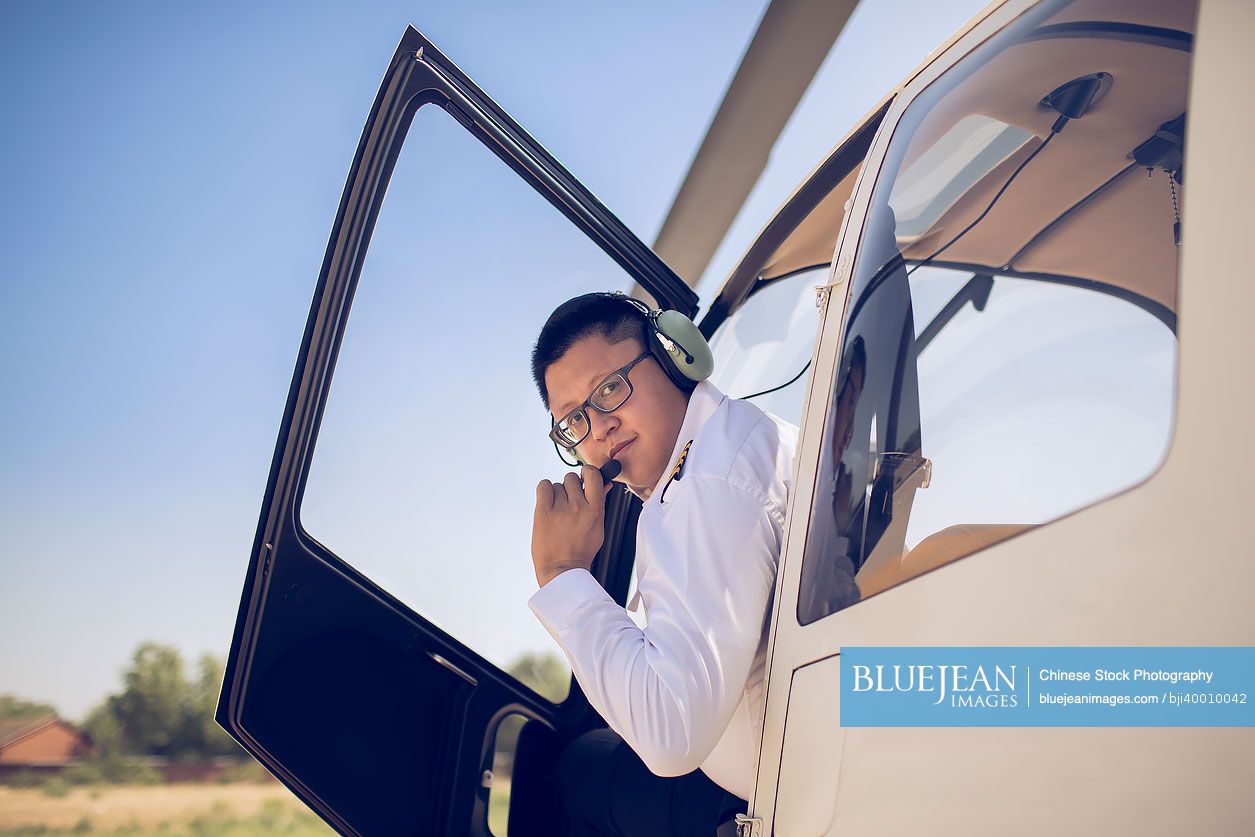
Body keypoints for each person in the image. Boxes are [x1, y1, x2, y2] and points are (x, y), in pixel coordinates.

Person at [526, 292, 797, 836]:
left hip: (782, 796)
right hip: (769, 775)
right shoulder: (716, 453)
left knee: (575, 771)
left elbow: (670, 732)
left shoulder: (707, 487)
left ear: (676, 356)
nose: (597, 428)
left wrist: (562, 575)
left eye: (608, 389)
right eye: (573, 422)